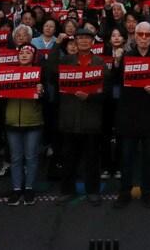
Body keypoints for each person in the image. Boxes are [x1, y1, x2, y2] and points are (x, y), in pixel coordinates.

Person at [113, 22, 150, 209]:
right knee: (126, 158)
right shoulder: (125, 57)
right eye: (140, 34)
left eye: (147, 35)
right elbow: (115, 80)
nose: (143, 38)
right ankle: (124, 192)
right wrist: (116, 63)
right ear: (135, 36)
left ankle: (147, 192)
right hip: (129, 116)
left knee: (149, 158)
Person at [56, 25, 105, 204]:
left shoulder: (99, 63)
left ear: (92, 42)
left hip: (91, 118)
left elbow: (106, 91)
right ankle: (66, 190)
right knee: (69, 158)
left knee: (92, 158)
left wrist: (90, 97)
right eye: (80, 38)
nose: (83, 41)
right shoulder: (66, 61)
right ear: (75, 42)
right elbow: (50, 72)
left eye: (87, 38)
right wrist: (57, 45)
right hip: (69, 117)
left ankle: (93, 190)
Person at [3, 44, 45, 205]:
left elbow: (47, 99)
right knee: (15, 157)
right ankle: (16, 189)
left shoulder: (39, 74)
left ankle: (29, 188)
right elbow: (0, 101)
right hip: (12, 120)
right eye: (21, 52)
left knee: (31, 156)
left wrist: (42, 92)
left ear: (34, 57)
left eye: (28, 52)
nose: (24, 55)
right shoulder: (8, 74)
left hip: (33, 120)